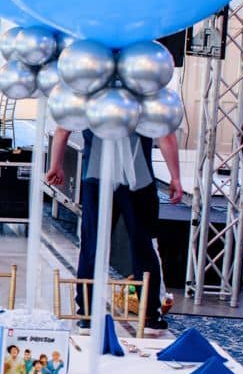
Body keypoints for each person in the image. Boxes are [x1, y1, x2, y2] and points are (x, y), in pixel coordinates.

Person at [47, 121, 185, 331]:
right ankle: (150, 315)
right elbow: (165, 135)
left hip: (96, 175)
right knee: (144, 246)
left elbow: (63, 128)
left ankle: (86, 312)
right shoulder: (143, 91)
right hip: (139, 179)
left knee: (93, 245)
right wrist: (175, 177)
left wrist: (55, 165)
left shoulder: (91, 89)